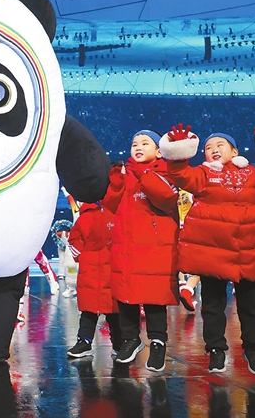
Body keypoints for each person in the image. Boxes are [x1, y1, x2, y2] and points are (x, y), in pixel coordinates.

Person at [160, 124, 255, 374]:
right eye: (208, 147)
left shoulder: (254, 175)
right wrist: (177, 152)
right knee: (213, 305)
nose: (213, 150)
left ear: (235, 151)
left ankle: (253, 349)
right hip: (213, 250)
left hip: (248, 250)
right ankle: (216, 350)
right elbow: (179, 174)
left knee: (252, 306)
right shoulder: (203, 175)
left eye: (220, 145)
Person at [103, 131, 179, 372]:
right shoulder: (128, 175)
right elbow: (111, 205)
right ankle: (130, 339)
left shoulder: (165, 171)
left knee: (154, 297)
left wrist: (143, 173)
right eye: (134, 143)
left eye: (145, 143)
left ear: (158, 152)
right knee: (126, 295)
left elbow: (166, 197)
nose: (138, 147)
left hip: (154, 247)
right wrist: (116, 183)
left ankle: (158, 342)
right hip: (126, 246)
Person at [66, 200, 122, 358]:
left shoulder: (117, 212)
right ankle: (85, 341)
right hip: (90, 271)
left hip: (111, 268)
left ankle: (118, 343)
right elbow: (74, 238)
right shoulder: (86, 215)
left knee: (113, 310)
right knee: (89, 310)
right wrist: (83, 256)